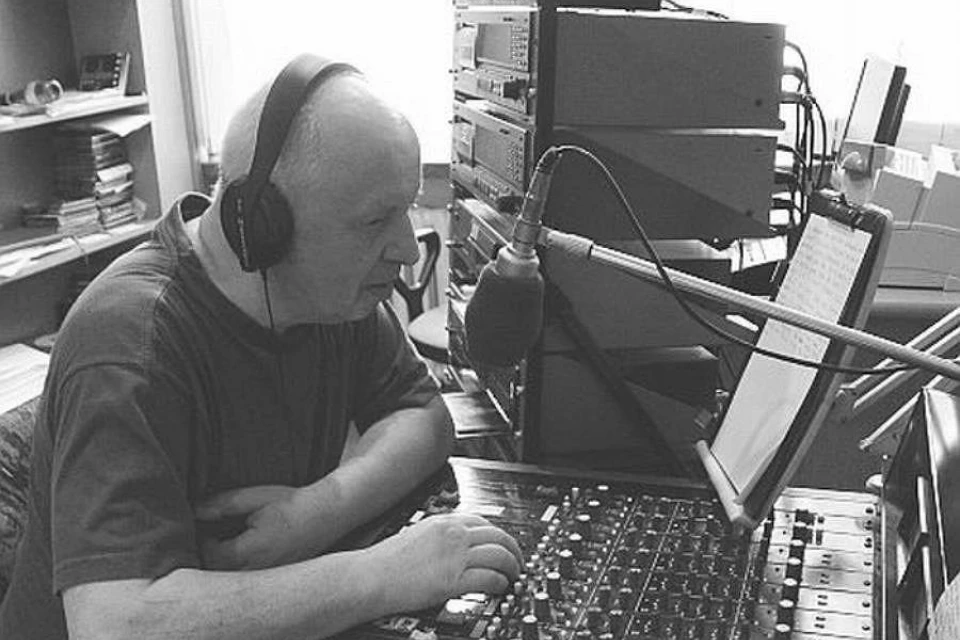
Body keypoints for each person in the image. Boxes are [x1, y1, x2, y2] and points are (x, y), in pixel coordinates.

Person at [0, 55, 522, 639]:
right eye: (376, 221)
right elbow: (116, 624)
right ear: (262, 224)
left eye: (404, 210)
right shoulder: (130, 341)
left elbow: (423, 416)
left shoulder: (327, 297)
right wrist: (380, 575)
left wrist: (320, 510)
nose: (406, 248)